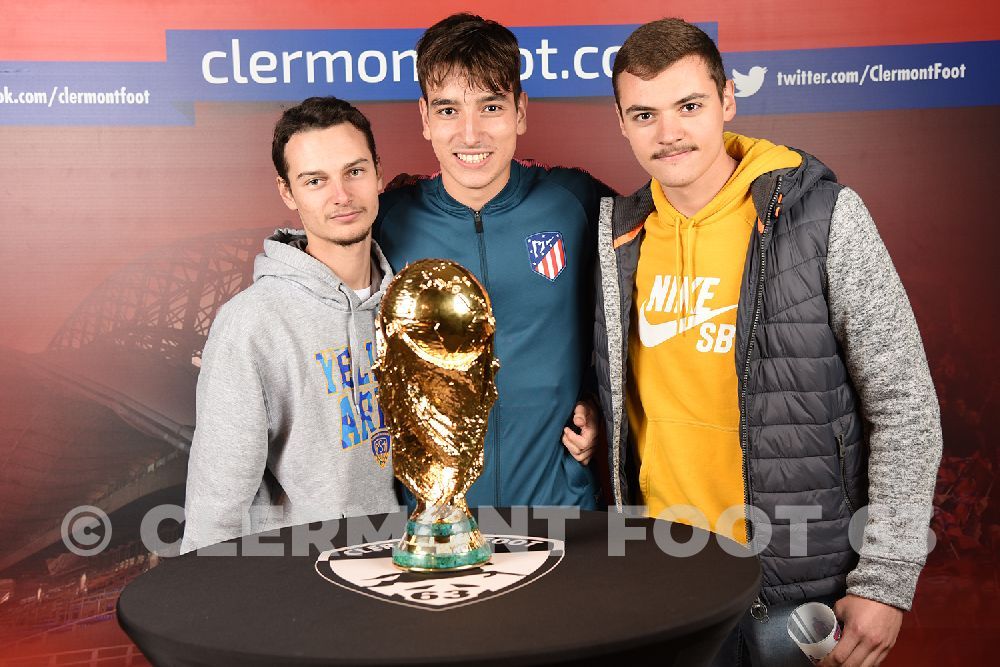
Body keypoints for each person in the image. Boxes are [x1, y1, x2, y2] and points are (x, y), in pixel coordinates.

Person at [594, 18, 942, 666]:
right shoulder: (618, 234)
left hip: (796, 588)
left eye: (689, 106)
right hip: (662, 580)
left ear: (727, 99)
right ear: (621, 122)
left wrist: (886, 579)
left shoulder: (823, 215)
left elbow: (905, 404)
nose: (668, 133)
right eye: (644, 114)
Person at [375, 13, 610, 509]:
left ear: (520, 112)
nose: (471, 134)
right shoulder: (388, 221)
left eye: (491, 106)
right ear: (424, 118)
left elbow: (639, 301)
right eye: (448, 110)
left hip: (559, 510)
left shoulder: (574, 200)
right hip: (433, 523)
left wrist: (598, 402)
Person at [181, 97, 398, 553]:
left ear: (379, 173)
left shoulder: (409, 305)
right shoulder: (252, 323)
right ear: (287, 192)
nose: (341, 195)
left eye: (354, 171)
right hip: (305, 578)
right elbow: (217, 504)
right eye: (315, 180)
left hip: (413, 568)